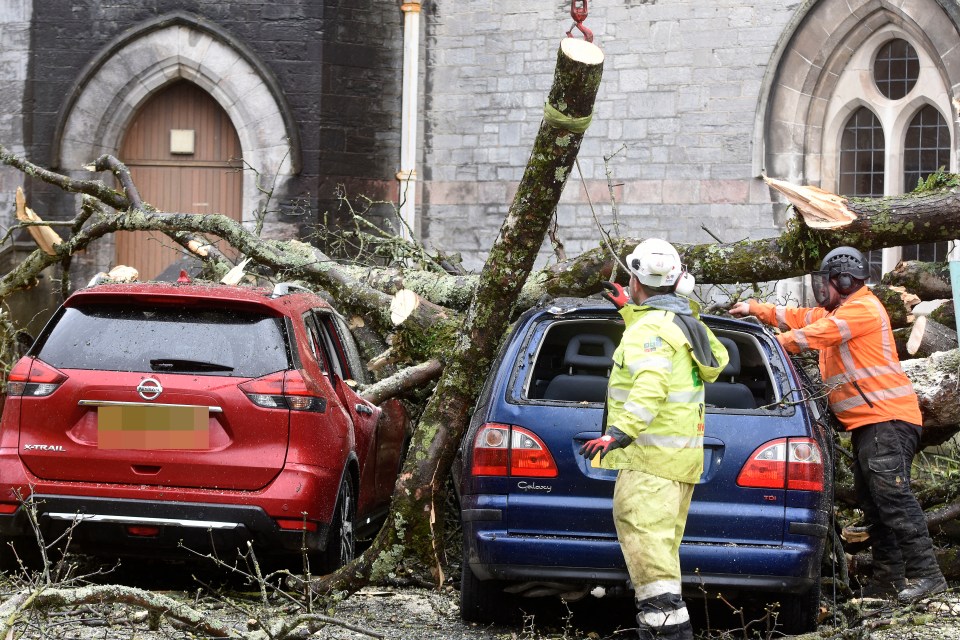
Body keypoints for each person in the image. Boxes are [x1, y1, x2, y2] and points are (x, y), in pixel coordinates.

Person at [728, 246, 947, 602]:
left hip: (886, 420)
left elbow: (810, 335)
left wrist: (761, 351)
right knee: (875, 504)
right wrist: (757, 310)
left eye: (826, 283)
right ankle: (888, 581)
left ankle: (927, 575)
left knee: (894, 499)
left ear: (844, 281)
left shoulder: (861, 309)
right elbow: (801, 317)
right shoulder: (843, 309)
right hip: (870, 423)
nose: (821, 290)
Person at [582, 238, 728, 640]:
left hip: (650, 466)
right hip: (679, 463)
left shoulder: (650, 331)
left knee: (653, 566)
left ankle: (667, 635)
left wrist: (619, 432)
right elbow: (664, 349)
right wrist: (631, 311)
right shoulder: (685, 324)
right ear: (680, 283)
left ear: (635, 279)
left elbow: (651, 381)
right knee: (661, 554)